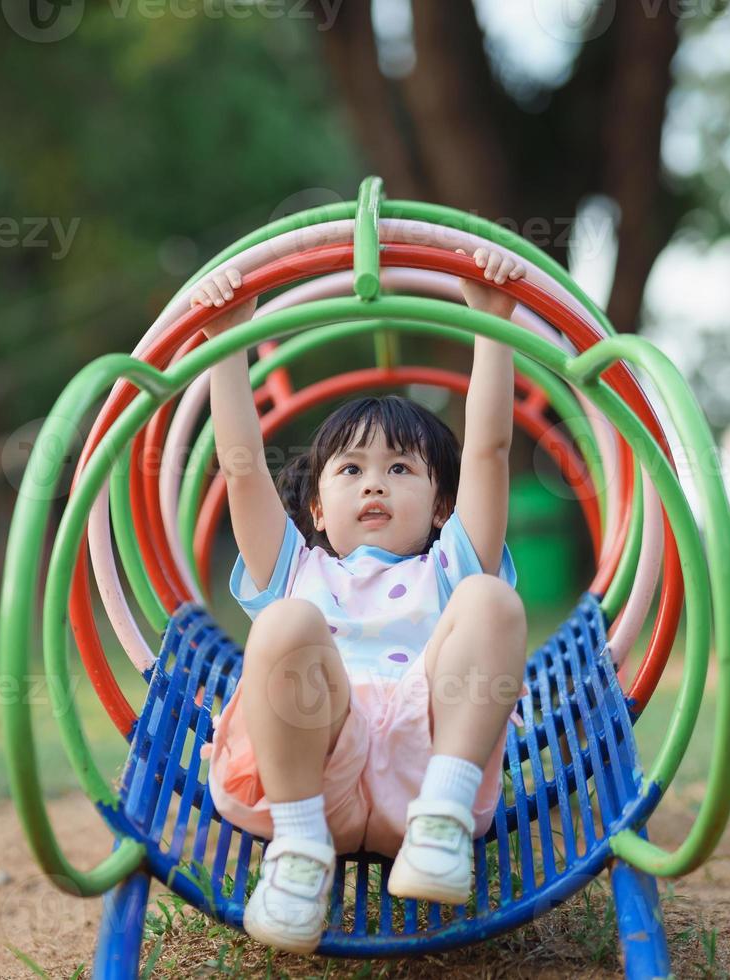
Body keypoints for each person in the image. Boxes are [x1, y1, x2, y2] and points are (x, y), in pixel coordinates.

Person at [191, 248, 529, 953]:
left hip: (427, 763)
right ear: (317, 504)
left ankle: (441, 820)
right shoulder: (297, 569)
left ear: (441, 503)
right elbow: (242, 468)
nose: (374, 484)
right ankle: (299, 852)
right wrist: (227, 342)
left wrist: (494, 325)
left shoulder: (451, 563)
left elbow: (490, 450)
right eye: (351, 469)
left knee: (492, 600)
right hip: (318, 769)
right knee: (286, 622)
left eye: (400, 468)